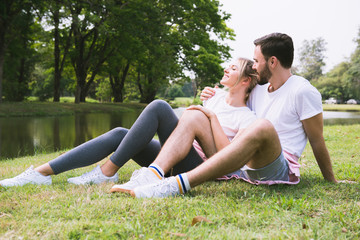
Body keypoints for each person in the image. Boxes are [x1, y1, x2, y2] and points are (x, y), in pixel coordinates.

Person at [119, 32, 338, 198]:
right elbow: (235, 97)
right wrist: (212, 94)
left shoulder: (303, 91)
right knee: (196, 115)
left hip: (277, 165)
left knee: (262, 126)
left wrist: (331, 181)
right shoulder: (260, 90)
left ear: (272, 62)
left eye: (256, 60)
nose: (253, 65)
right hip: (243, 166)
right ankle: (153, 174)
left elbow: (317, 141)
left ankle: (175, 185)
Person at [0, 58, 258, 189]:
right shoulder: (214, 99)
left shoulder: (246, 118)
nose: (226, 69)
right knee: (121, 133)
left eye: (233, 68)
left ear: (245, 80)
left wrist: (211, 117)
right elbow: (185, 129)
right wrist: (208, 106)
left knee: (159, 106)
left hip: (201, 167)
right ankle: (41, 174)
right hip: (175, 155)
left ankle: (106, 172)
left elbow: (228, 159)